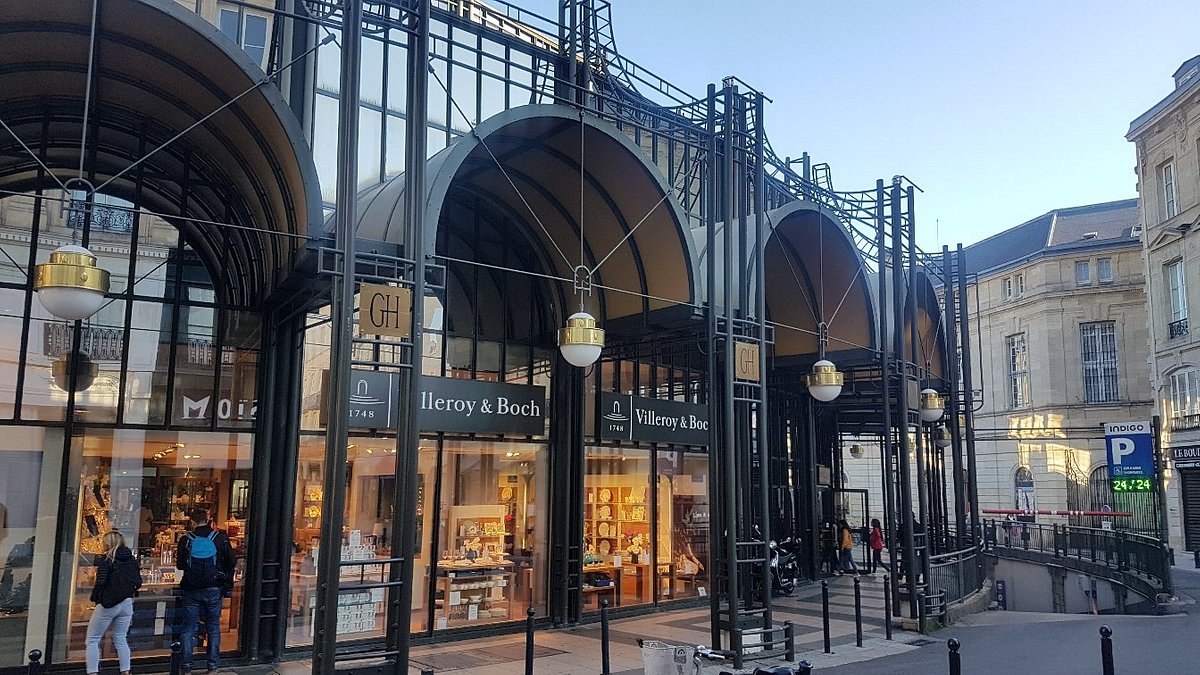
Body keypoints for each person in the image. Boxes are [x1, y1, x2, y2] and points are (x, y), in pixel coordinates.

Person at [176, 509, 235, 673]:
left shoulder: (185, 540)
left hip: (191, 588)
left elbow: (180, 565)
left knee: (188, 628)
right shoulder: (220, 539)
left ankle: (186, 666)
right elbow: (232, 561)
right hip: (213, 588)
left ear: (192, 522)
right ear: (209, 519)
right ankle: (213, 666)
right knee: (213, 628)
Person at [87, 530, 141, 675]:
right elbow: (138, 581)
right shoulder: (131, 560)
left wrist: (96, 598)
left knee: (92, 639)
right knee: (121, 638)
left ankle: (92, 672)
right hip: (126, 602)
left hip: (108, 603)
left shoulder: (107, 559)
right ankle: (125, 671)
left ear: (107, 543)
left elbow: (101, 582)